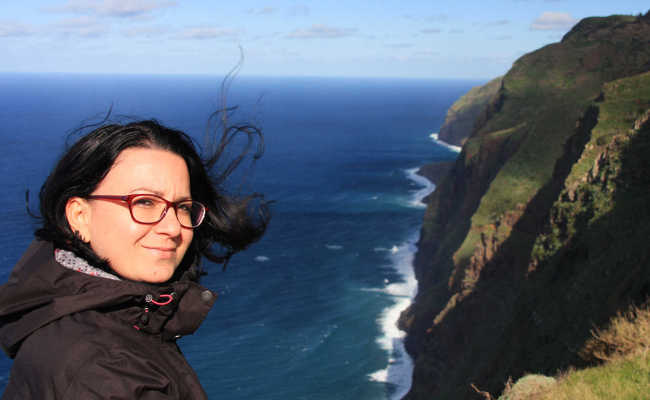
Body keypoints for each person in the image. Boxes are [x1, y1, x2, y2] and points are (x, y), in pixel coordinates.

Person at [0, 115, 269, 399]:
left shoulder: (70, 316)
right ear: (80, 216)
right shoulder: (105, 372)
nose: (173, 227)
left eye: (183, 207)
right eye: (143, 202)